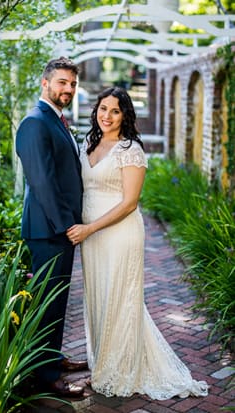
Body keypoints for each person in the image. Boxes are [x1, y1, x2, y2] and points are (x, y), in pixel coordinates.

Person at [65, 87, 208, 399]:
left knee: (119, 298)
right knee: (99, 298)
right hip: (92, 235)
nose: (107, 116)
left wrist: (89, 230)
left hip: (118, 233)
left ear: (125, 115)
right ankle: (102, 362)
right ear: (96, 110)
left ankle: (120, 369)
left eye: (115, 111)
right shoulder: (90, 142)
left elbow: (129, 203)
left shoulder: (130, 150)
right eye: (103, 108)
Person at [15, 56, 88, 397]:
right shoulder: (34, 122)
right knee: (47, 302)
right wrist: (67, 227)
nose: (68, 89)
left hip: (57, 230)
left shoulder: (56, 120)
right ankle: (46, 377)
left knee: (56, 300)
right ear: (45, 83)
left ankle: (52, 358)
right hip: (48, 231)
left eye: (72, 84)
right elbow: (42, 182)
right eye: (62, 82)